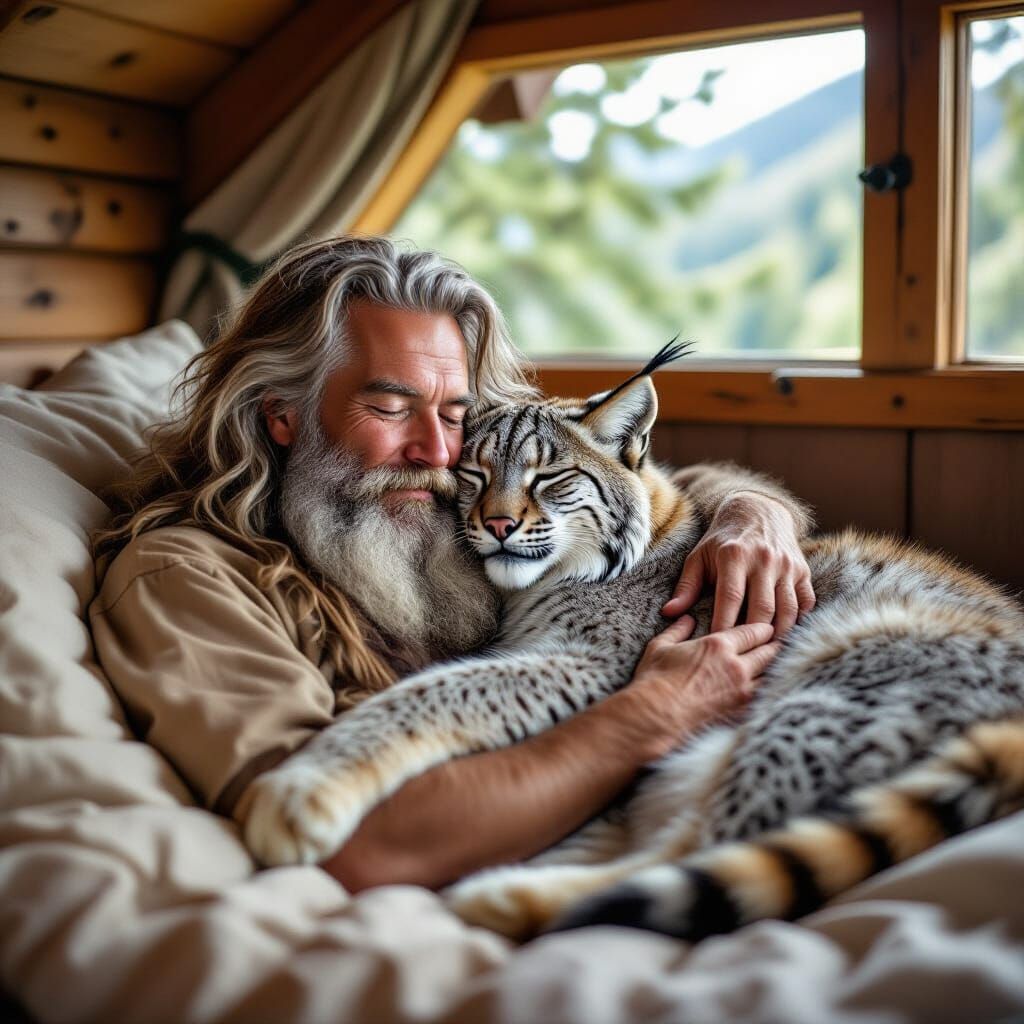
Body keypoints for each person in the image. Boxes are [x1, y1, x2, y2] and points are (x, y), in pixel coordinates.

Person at [89, 236, 815, 893]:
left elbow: (633, 486)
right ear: (281, 412)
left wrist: (754, 516)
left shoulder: (448, 493)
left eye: (454, 412)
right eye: (392, 408)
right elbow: (357, 849)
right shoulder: (183, 578)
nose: (437, 452)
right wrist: (653, 715)